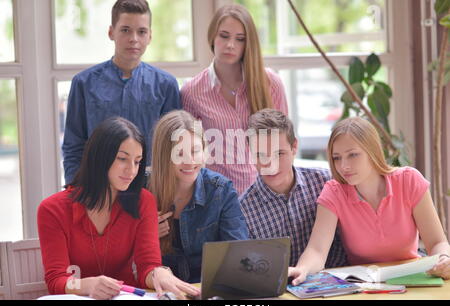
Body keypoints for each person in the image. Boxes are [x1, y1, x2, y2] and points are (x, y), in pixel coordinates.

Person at [38, 117, 200, 300]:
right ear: (99, 158)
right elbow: (56, 280)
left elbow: (147, 265)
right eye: (122, 159)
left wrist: (158, 273)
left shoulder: (143, 201)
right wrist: (87, 285)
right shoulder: (52, 209)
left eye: (137, 162)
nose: (131, 170)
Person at [289, 117, 450, 285]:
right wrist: (303, 269)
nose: (344, 166)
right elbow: (317, 250)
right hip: (364, 286)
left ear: (372, 150)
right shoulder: (334, 192)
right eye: (337, 158)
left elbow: (437, 242)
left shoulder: (409, 180)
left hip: (413, 281)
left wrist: (444, 259)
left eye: (353, 155)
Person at [62, 0, 180, 185]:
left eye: (141, 31)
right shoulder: (84, 83)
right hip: (97, 187)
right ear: (111, 32)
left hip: (149, 189)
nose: (134, 38)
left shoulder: (166, 85)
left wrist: (169, 195)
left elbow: (173, 147)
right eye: (125, 30)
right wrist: (75, 189)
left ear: (150, 36)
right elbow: (73, 145)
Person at [181, 4, 288, 194]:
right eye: (224, 36)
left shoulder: (271, 84)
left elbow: (284, 145)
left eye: (240, 39)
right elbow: (190, 155)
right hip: (216, 198)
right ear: (212, 36)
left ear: (248, 44)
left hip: (266, 195)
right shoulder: (192, 92)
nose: (230, 44)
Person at [148, 110, 249, 283]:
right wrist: (147, 237)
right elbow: (122, 259)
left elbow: (238, 252)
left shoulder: (221, 190)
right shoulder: (143, 189)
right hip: (158, 287)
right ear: (163, 157)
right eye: (179, 154)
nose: (190, 161)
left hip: (209, 287)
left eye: (195, 151)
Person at [239, 109, 347, 268]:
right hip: (281, 289)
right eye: (261, 155)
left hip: (340, 281)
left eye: (279, 154)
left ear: (294, 147)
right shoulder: (242, 210)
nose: (270, 164)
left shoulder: (326, 182)